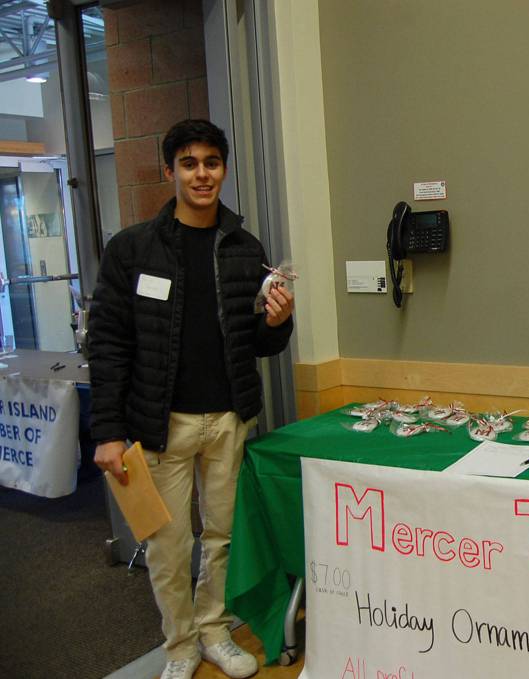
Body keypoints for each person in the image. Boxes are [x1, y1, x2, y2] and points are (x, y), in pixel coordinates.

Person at [89, 119, 295, 679]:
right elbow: (107, 343)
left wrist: (279, 322)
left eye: (211, 162)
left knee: (223, 539)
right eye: (189, 163)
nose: (201, 174)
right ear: (169, 171)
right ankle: (179, 645)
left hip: (227, 419)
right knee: (169, 547)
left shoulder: (244, 247)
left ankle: (214, 630)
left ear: (223, 169)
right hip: (161, 426)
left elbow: (260, 342)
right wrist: (107, 430)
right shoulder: (133, 250)